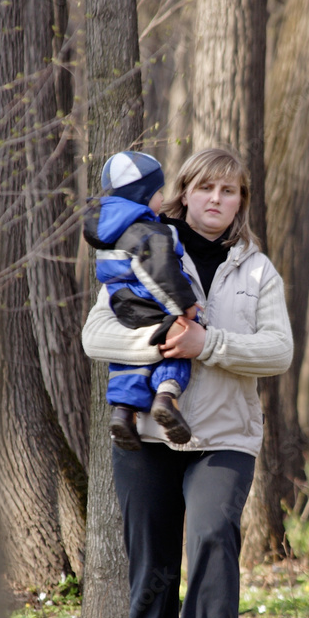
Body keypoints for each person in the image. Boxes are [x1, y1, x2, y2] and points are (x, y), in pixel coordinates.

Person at [82, 146, 293, 618]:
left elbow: (278, 352)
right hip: (146, 434)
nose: (216, 200)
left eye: (229, 191)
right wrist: (161, 341)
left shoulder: (255, 268)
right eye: (206, 188)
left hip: (224, 436)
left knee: (210, 538)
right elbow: (95, 335)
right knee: (151, 558)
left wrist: (210, 345)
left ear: (241, 201)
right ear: (184, 192)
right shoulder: (144, 243)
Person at [83, 150, 199, 450]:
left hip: (123, 304)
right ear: (143, 194)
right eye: (158, 191)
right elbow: (161, 274)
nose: (161, 198)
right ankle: (166, 397)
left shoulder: (110, 231)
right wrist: (183, 308)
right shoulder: (148, 232)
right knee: (179, 342)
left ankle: (124, 413)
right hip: (152, 301)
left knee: (125, 360)